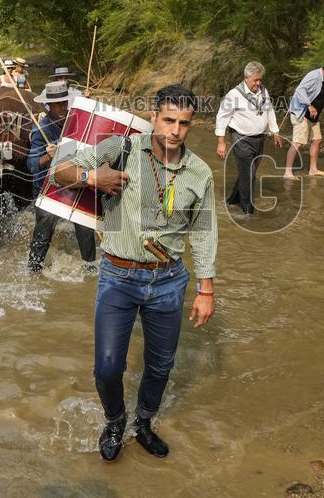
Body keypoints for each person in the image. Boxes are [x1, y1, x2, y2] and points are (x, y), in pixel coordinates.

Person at [53, 84, 217, 463]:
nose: (175, 130)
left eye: (184, 123)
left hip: (169, 281)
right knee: (107, 368)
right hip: (118, 276)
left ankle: (143, 422)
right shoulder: (121, 149)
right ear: (153, 117)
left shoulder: (199, 172)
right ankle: (115, 420)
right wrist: (92, 178)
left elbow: (204, 232)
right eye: (168, 120)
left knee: (160, 366)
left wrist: (206, 289)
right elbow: (61, 170)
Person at [26, 81, 97, 273]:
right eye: (58, 104)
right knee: (44, 231)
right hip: (49, 188)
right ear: (49, 105)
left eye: (65, 103)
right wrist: (47, 156)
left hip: (73, 183)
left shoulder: (73, 122)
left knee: (85, 227)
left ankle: (90, 271)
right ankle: (33, 271)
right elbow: (31, 165)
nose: (63, 108)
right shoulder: (41, 130)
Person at [214, 61, 283, 215]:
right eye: (255, 80)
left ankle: (232, 200)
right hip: (241, 139)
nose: (258, 83)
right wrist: (221, 142)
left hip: (259, 139)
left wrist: (275, 132)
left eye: (260, 80)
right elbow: (222, 117)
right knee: (249, 175)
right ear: (246, 78)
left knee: (248, 172)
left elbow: (269, 110)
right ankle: (248, 211)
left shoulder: (263, 91)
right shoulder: (234, 95)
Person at [284, 61, 324, 178]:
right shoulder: (314, 76)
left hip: (313, 116)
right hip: (301, 113)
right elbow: (300, 90)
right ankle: (287, 172)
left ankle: (313, 170)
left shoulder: (323, 79)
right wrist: (309, 106)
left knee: (317, 140)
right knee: (298, 142)